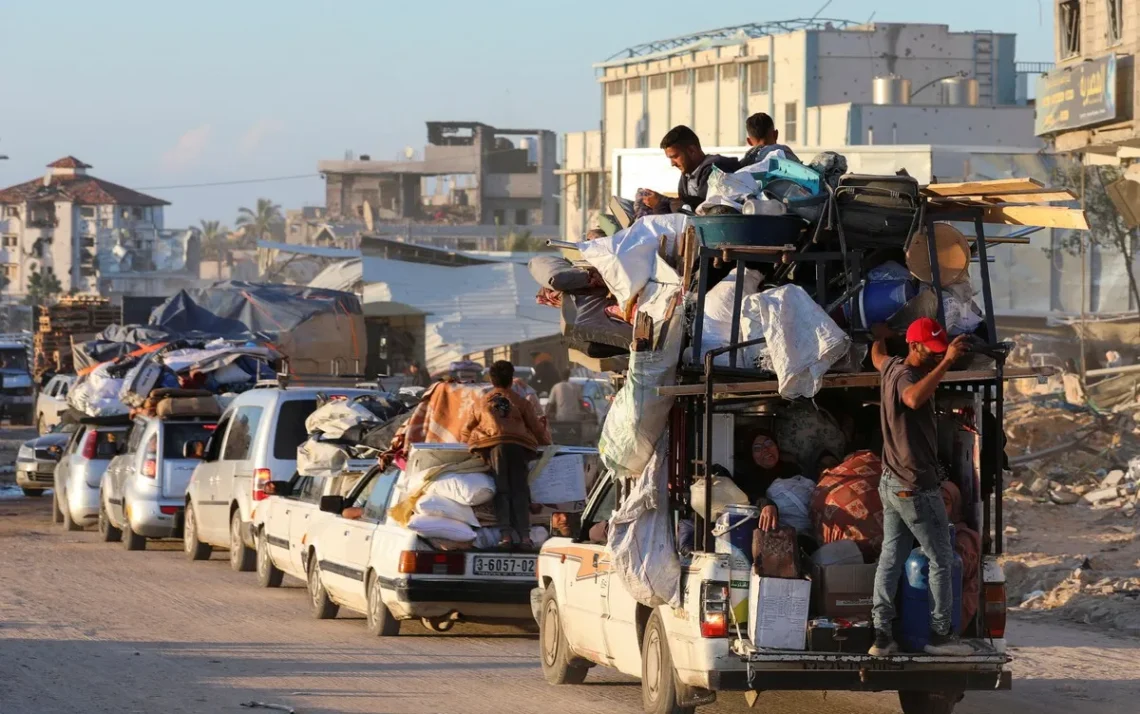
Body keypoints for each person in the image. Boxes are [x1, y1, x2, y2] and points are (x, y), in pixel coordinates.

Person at [869, 317, 973, 657]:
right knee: (941, 558)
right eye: (932, 351)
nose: (936, 356)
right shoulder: (906, 377)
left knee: (891, 558)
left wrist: (882, 336)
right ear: (915, 347)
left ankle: (882, 635)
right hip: (914, 487)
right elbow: (913, 399)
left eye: (940, 351)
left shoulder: (890, 366)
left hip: (891, 482)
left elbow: (877, 355)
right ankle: (941, 636)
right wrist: (946, 363)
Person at [460, 360, 552, 549]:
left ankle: (506, 536)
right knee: (520, 490)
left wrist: (465, 449)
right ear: (511, 380)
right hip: (519, 447)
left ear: (492, 381)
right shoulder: (521, 402)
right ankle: (525, 538)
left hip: (494, 447)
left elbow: (466, 431)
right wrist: (548, 447)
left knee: (502, 490)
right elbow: (536, 429)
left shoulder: (481, 402)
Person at [660, 125, 741, 211]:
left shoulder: (717, 171)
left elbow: (707, 207)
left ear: (692, 151)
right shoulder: (686, 175)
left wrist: (661, 202)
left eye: (675, 157)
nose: (672, 164)